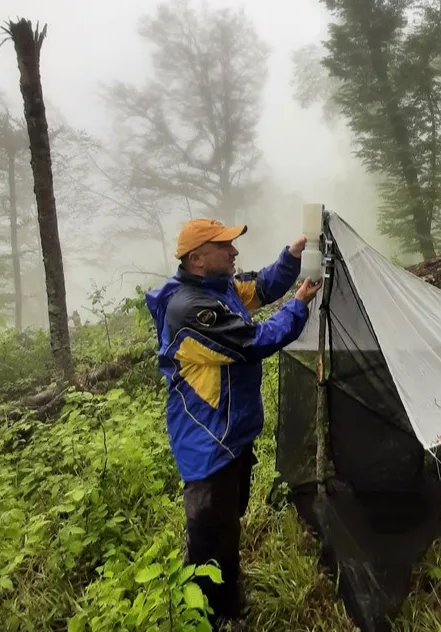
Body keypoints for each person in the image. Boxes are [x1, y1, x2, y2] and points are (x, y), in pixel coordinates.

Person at [145, 218, 322, 627]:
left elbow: (260, 287)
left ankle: (224, 590)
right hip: (207, 443)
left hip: (232, 434)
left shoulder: (221, 288)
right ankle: (214, 615)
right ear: (198, 258)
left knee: (229, 519)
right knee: (210, 531)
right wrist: (298, 306)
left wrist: (292, 255)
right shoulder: (190, 309)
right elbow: (253, 342)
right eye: (225, 246)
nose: (234, 252)